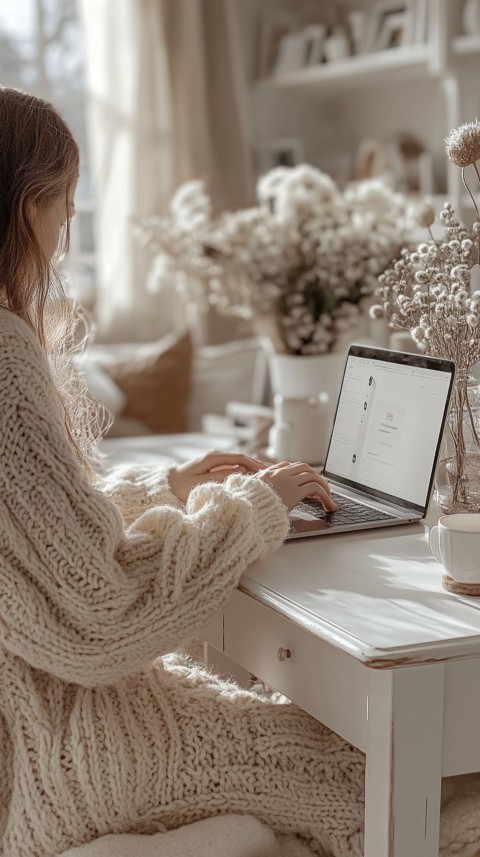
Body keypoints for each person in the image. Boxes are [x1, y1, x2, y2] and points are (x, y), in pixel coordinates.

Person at [0, 86, 365, 857]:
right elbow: (99, 618)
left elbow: (36, 544)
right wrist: (253, 506)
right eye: (63, 204)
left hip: (50, 728)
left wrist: (161, 490)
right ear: (24, 201)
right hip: (82, 745)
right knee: (374, 771)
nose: (66, 230)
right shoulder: (4, 355)